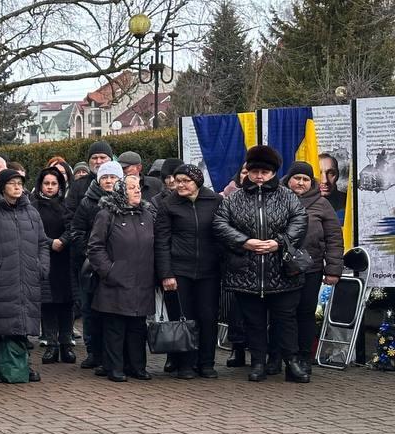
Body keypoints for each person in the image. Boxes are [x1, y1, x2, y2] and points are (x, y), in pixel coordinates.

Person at [213, 146, 308, 383]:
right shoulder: (234, 199)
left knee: (285, 321)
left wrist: (278, 243)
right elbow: (220, 224)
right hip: (246, 271)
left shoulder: (288, 197)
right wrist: (246, 242)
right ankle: (257, 362)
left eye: (264, 172)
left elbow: (300, 221)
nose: (259, 176)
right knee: (253, 321)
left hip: (282, 271)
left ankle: (291, 362)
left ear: (274, 172)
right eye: (255, 171)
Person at [0, 169, 48, 383]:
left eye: (20, 183)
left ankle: (20, 363)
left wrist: (42, 266)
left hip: (27, 275)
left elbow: (42, 242)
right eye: (12, 183)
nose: (17, 187)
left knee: (22, 320)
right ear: (1, 186)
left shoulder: (31, 212)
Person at [154, 163, 222, 378]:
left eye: (185, 181)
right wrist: (166, 274)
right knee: (183, 316)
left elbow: (222, 234)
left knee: (208, 316)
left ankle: (207, 362)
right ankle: (185, 363)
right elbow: (162, 241)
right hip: (179, 269)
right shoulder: (168, 205)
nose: (179, 185)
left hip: (209, 270)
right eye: (177, 180)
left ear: (197, 183)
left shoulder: (215, 201)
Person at [87, 173, 156, 382]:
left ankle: (137, 366)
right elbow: (95, 247)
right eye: (132, 188)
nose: (137, 191)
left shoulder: (147, 214)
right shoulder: (107, 214)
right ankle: (114, 367)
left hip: (142, 280)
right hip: (115, 281)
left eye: (138, 188)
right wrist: (109, 271)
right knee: (115, 328)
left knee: (137, 326)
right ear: (120, 192)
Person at [286, 160, 344, 381]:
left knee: (305, 313)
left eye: (305, 179)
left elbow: (334, 238)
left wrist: (333, 270)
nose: (300, 182)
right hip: (281, 269)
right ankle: (281, 356)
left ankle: (303, 357)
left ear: (311, 182)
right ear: (288, 180)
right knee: (283, 314)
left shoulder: (321, 204)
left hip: (311, 268)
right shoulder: (278, 198)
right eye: (297, 178)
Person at [69, 159, 123, 369]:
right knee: (91, 311)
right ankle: (94, 352)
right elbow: (77, 231)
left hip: (120, 265)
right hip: (92, 267)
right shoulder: (88, 202)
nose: (109, 181)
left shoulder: (126, 200)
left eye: (113, 177)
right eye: (105, 177)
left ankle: (112, 355)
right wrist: (91, 253)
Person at [32, 166, 76, 364]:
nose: (50, 188)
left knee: (66, 303)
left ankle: (66, 343)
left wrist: (63, 241)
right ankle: (51, 344)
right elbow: (33, 231)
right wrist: (51, 243)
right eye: (46, 183)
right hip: (44, 257)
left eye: (54, 184)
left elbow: (73, 227)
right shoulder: (33, 206)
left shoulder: (67, 205)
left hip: (65, 259)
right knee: (48, 303)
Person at [318, 153, 347, 220]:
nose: (325, 181)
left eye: (330, 173)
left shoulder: (348, 203)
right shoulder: (301, 205)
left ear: (338, 175)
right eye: (318, 173)